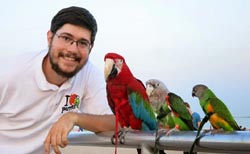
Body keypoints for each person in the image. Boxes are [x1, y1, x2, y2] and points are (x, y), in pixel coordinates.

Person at [0, 6, 115, 154]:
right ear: (50, 38)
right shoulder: (9, 73)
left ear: (90, 48)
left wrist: (73, 117)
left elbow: (113, 122)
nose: (73, 49)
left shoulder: (88, 74)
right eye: (66, 38)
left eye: (82, 43)